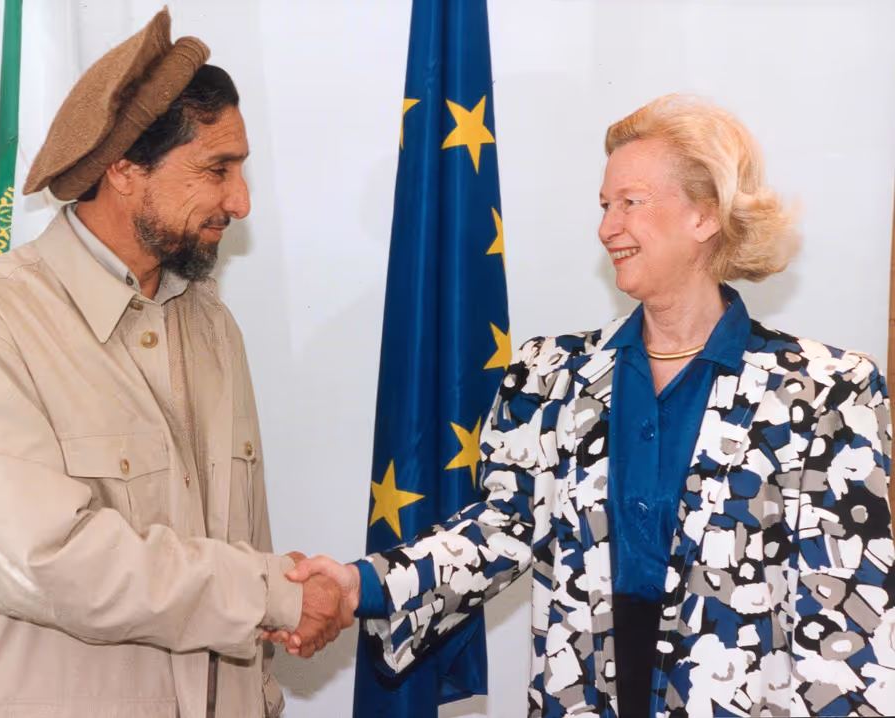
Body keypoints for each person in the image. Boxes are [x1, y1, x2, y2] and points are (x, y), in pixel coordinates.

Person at [268, 95, 895, 717]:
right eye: (604, 205)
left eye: (631, 202)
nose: (606, 228)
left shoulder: (827, 391)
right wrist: (359, 585)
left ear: (705, 215)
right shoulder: (550, 376)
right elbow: (498, 532)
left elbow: (845, 620)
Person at [0, 9, 350, 718]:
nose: (240, 201)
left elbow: (244, 543)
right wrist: (274, 593)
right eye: (217, 169)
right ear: (123, 170)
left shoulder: (212, 327)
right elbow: (48, 562)